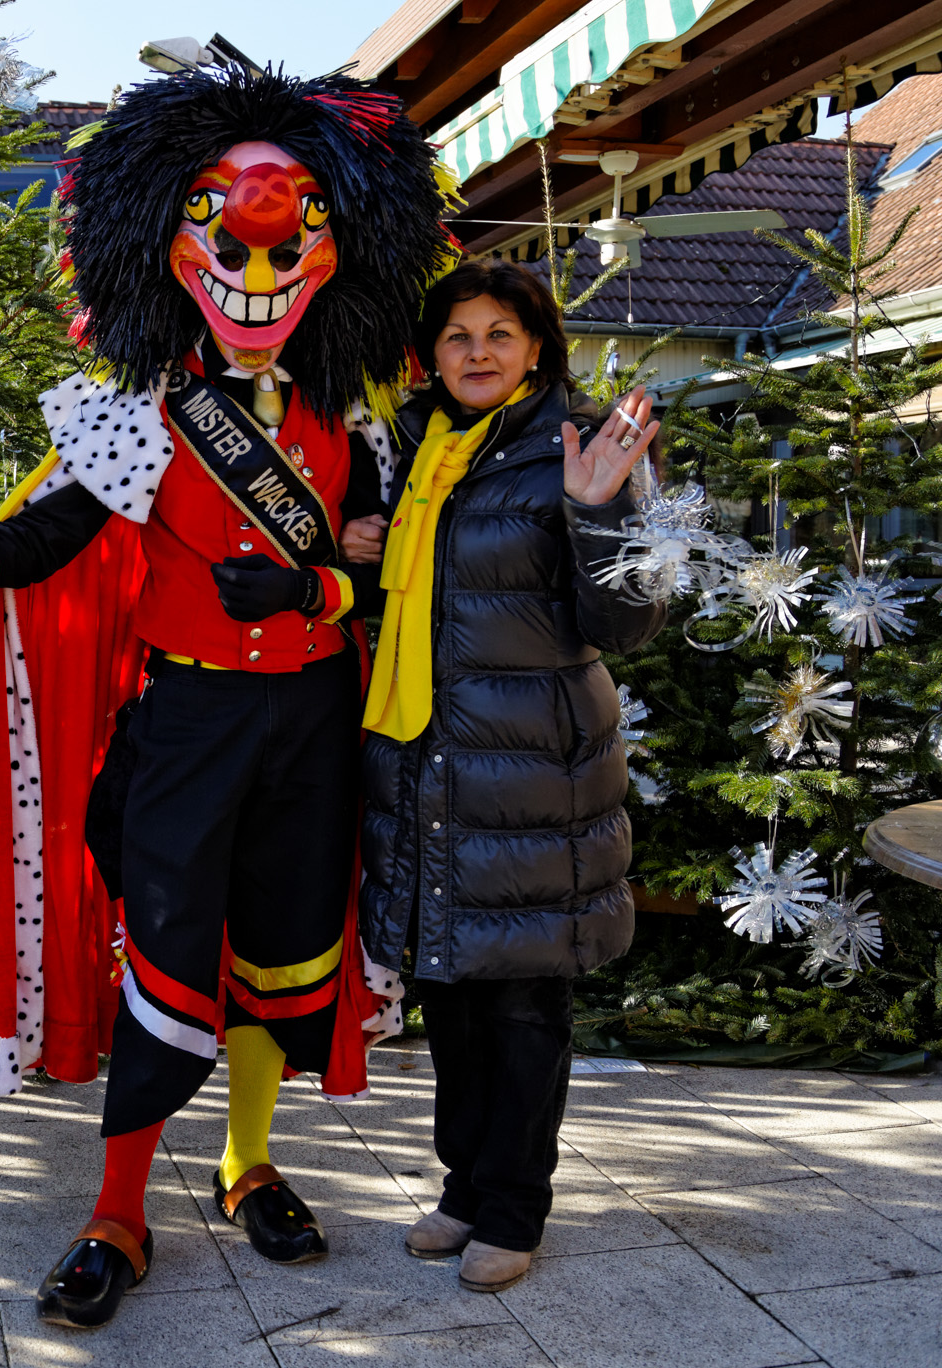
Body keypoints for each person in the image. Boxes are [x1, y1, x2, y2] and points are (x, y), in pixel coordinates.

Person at [0, 65, 456, 1328]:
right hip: (186, 728)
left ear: (341, 246)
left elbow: (380, 583)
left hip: (310, 726)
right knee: (164, 958)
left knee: (281, 956)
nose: (256, 256)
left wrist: (308, 595)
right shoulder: (141, 410)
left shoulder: (354, 426)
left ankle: (247, 1160)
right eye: (216, 218)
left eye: (295, 222)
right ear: (161, 241)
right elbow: (53, 533)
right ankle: (115, 1211)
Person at [342, 259, 665, 1294]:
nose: (476, 353)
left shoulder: (579, 447)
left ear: (535, 346)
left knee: (523, 1005)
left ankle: (514, 1204)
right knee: (451, 993)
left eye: (498, 334)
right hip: (428, 766)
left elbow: (630, 619)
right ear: (428, 356)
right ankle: (464, 1188)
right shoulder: (415, 451)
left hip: (531, 779)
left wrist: (596, 511)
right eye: (456, 336)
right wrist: (361, 553)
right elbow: (409, 610)